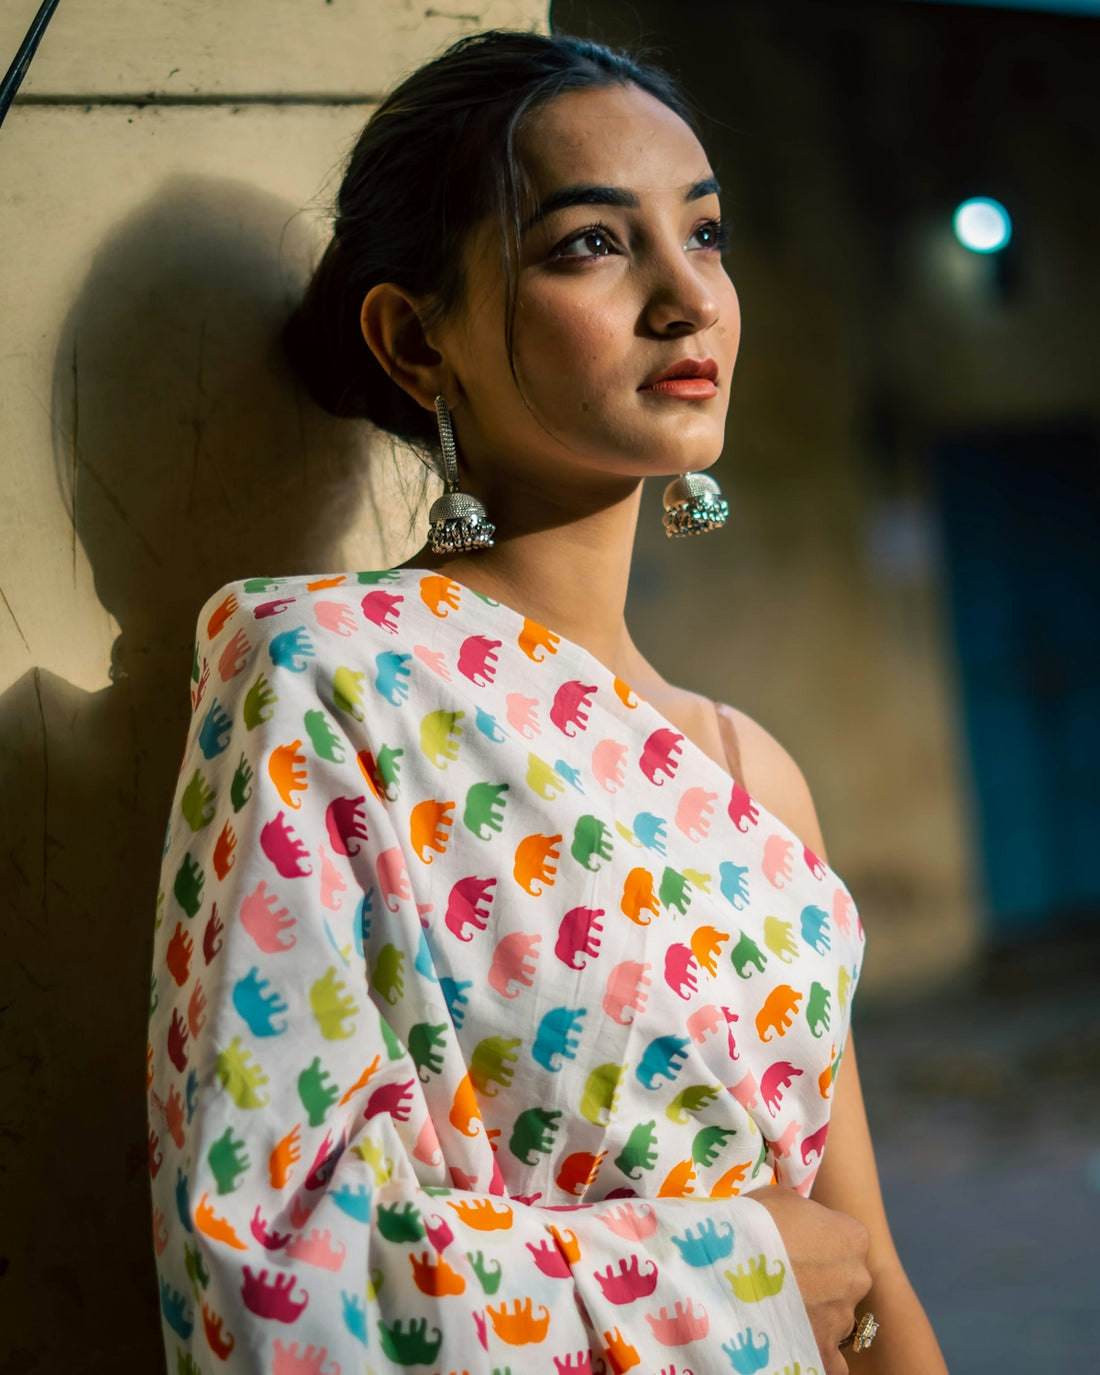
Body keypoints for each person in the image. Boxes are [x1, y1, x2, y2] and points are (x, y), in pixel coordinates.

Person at [147, 29, 949, 1375]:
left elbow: (863, 1274)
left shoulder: (749, 773)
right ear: (416, 340)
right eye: (590, 244)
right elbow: (263, 1278)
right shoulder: (326, 684)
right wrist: (726, 1277)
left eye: (707, 235)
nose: (687, 297)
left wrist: (803, 1278)